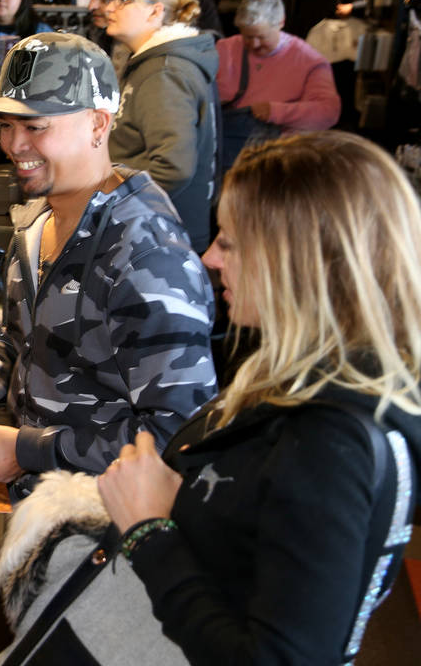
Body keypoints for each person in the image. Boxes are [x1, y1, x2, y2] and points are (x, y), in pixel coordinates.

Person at [97, 131, 421, 665]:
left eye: (230, 242)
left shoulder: (327, 442)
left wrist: (148, 532)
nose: (208, 258)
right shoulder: (309, 384)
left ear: (294, 260)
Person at [0, 33, 216, 495]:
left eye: (35, 127)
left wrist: (30, 452)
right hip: (31, 508)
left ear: (98, 124)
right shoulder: (40, 223)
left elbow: (177, 435)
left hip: (100, 528)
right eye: (5, 125)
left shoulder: (147, 255)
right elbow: (22, 345)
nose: (13, 144)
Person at [105, 0, 218, 253]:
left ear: (155, 12)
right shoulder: (155, 65)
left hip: (160, 238)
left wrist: (110, 203)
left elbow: (173, 168)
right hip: (155, 230)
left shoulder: (163, 73)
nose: (110, 7)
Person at [215, 0, 340, 172]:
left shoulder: (310, 61)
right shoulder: (224, 48)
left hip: (276, 158)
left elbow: (328, 112)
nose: (254, 45)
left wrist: (276, 111)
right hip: (223, 148)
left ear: (281, 23)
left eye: (261, 37)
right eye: (247, 37)